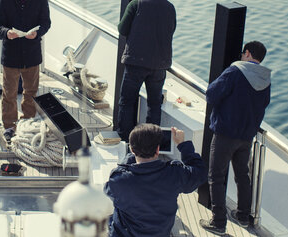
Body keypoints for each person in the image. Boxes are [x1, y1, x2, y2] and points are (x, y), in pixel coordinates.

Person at [200, 41, 271, 235]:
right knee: (242, 176)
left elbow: (211, 94)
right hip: (247, 135)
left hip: (225, 133)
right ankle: (242, 216)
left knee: (215, 176)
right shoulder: (265, 79)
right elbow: (263, 105)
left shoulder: (234, 71)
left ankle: (218, 222)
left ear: (247, 53)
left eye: (243, 53)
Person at [105, 124, 207, 236]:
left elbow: (108, 191)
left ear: (132, 149)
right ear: (158, 150)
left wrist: (129, 158)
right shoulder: (175, 174)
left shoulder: (119, 180)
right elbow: (199, 173)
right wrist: (183, 145)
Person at [116, 0, 176, 142]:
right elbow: (171, 30)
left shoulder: (137, 3)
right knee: (154, 104)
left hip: (136, 61)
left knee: (127, 101)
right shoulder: (170, 8)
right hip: (160, 65)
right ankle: (150, 141)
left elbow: (122, 29)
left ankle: (125, 139)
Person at [0, 0, 51, 140]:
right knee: (9, 93)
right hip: (11, 55)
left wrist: (38, 33)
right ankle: (9, 126)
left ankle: (28, 122)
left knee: (31, 92)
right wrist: (7, 32)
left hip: (32, 54)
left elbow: (46, 22)